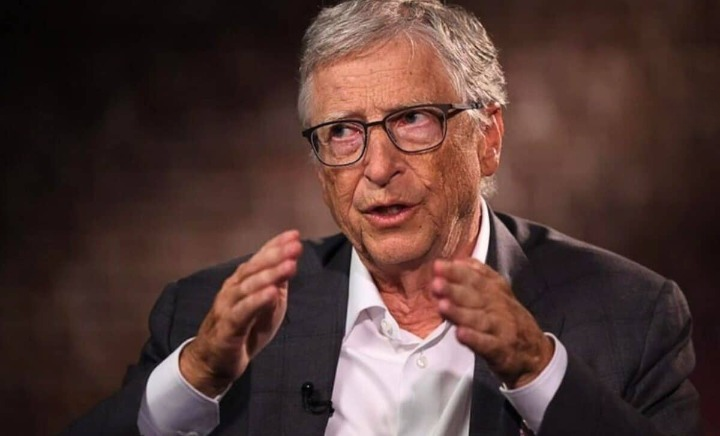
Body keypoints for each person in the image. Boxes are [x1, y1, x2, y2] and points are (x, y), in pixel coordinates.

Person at [63, 0, 700, 435]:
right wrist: (195, 379)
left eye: (412, 119)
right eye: (343, 131)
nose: (377, 167)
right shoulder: (204, 322)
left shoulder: (631, 315)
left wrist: (538, 373)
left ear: (487, 138)